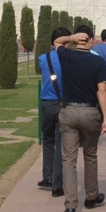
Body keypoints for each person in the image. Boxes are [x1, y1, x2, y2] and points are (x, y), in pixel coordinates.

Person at [53, 25, 106, 212]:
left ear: (78, 39)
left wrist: (70, 37)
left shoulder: (66, 57)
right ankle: (91, 197)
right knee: (90, 155)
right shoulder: (97, 62)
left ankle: (70, 206)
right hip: (89, 112)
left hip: (69, 111)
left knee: (68, 159)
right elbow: (102, 91)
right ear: (91, 40)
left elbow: (56, 42)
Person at [38, 27, 69, 197]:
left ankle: (47, 177)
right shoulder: (70, 59)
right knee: (60, 144)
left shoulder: (43, 58)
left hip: (47, 104)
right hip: (63, 104)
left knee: (48, 141)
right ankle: (57, 185)